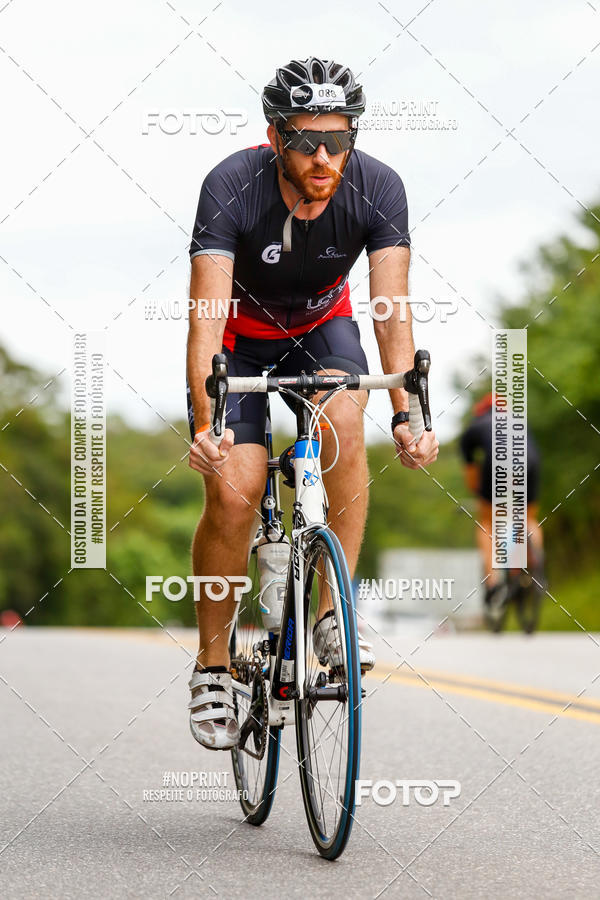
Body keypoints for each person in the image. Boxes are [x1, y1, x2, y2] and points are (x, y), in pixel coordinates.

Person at [186, 57, 439, 749]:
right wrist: (206, 420)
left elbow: (390, 306)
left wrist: (411, 413)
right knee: (233, 494)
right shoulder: (231, 187)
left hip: (322, 330)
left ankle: (332, 612)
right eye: (305, 141)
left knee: (345, 426)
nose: (325, 156)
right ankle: (212, 661)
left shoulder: (378, 186)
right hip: (238, 343)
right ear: (275, 139)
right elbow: (206, 313)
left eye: (339, 138)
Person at [459, 393, 544, 610]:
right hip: (531, 463)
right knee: (527, 517)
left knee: (487, 522)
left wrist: (481, 495)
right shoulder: (519, 421)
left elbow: (471, 477)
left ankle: (493, 584)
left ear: (480, 411)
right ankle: (536, 569)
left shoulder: (474, 427)